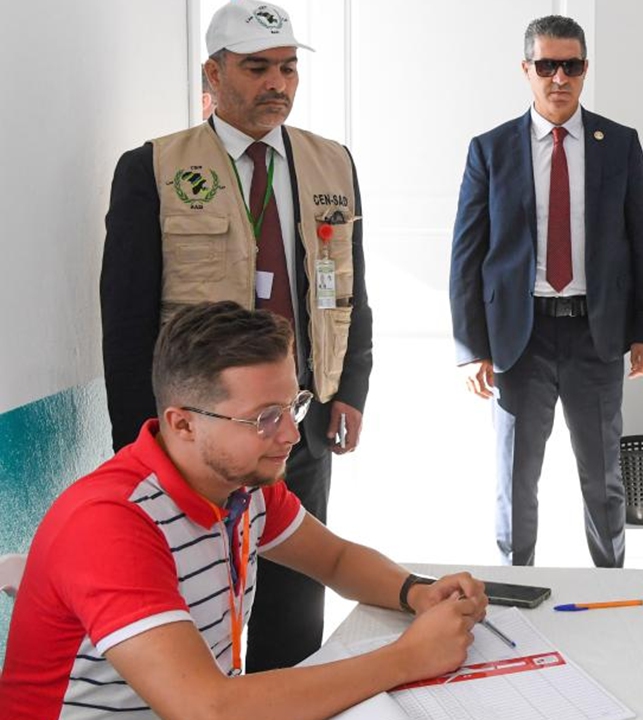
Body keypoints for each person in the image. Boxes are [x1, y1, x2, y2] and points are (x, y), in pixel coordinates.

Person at [0, 302, 485, 719]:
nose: (291, 435)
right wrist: (407, 658)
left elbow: (335, 560)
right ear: (183, 424)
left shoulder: (241, 485)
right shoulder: (111, 522)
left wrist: (416, 592)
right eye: (264, 418)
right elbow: (207, 709)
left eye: (292, 406)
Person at [99, 0, 372, 671]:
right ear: (213, 74)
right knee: (192, 606)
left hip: (295, 426)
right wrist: (137, 437)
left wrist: (350, 388)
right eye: (256, 68)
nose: (276, 83)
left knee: (294, 601)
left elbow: (349, 290)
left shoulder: (330, 162)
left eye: (286, 68)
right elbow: (126, 317)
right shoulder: (155, 168)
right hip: (196, 436)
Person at [449, 15, 643, 568]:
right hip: (518, 342)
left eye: (570, 65)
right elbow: (466, 255)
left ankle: (610, 578)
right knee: (516, 477)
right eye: (546, 65)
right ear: (527, 70)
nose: (559, 77)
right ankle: (513, 581)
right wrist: (471, 346)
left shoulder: (618, 144)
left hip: (594, 337)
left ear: (585, 70)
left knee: (603, 477)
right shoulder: (491, 150)